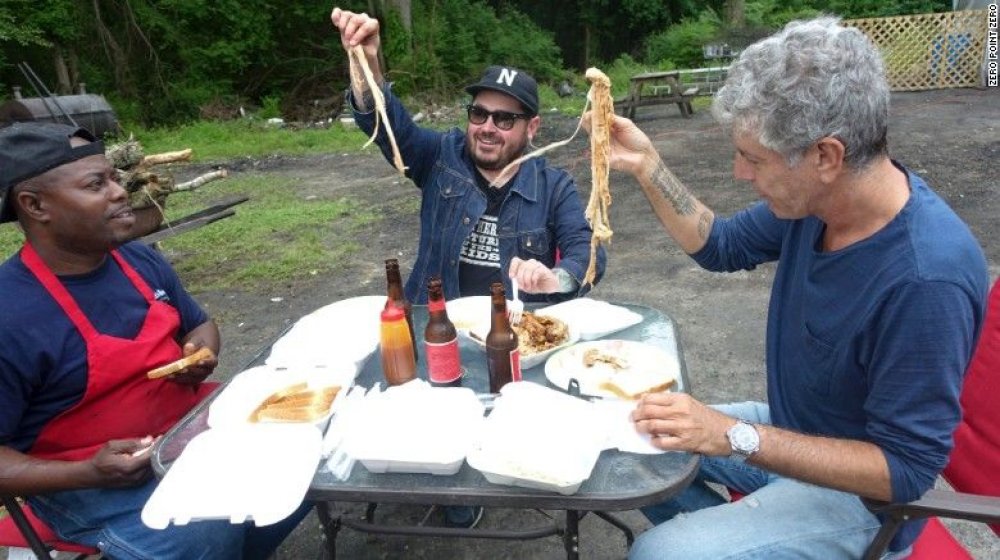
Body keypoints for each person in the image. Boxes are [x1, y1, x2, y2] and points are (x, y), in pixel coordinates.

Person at [595, 17, 990, 559]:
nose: (739, 173)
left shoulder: (926, 279)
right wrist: (647, 165)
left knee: (658, 553)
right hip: (794, 428)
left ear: (826, 156)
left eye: (753, 159)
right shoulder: (817, 204)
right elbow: (720, 245)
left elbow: (906, 470)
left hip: (862, 503)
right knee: (634, 438)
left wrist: (731, 435)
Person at [0, 122, 309, 559]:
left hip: (185, 431)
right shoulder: (9, 313)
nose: (120, 192)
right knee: (200, 533)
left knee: (309, 447)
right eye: (96, 184)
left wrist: (202, 352)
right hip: (88, 479)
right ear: (35, 205)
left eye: (113, 178)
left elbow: (200, 324)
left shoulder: (136, 257)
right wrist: (89, 473)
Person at [330, 7, 606, 305]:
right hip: (437, 327)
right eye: (478, 113)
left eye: (504, 119)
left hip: (517, 336)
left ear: (532, 128)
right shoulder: (440, 157)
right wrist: (367, 63)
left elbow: (587, 252)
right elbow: (386, 126)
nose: (487, 128)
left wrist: (555, 278)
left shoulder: (553, 187)